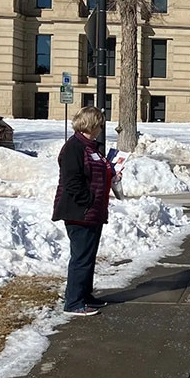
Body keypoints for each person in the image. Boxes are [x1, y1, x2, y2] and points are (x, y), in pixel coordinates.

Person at [52, 106, 117, 316]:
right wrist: (88, 201)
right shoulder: (75, 147)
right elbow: (72, 182)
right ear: (91, 124)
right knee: (80, 257)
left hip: (93, 211)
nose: (101, 127)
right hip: (79, 212)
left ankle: (85, 295)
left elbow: (97, 172)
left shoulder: (91, 146)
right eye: (99, 123)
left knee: (88, 256)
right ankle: (73, 302)